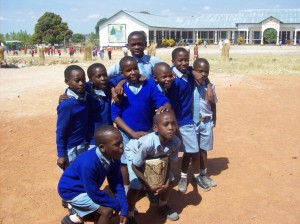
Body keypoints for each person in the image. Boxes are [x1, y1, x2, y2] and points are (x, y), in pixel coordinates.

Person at [110, 56, 171, 195]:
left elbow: (161, 100)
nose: (132, 72)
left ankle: (151, 190)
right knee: (127, 163)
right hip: (127, 135)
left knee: (149, 161)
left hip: (147, 132)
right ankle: (128, 192)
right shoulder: (120, 90)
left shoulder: (149, 85)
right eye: (128, 70)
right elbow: (115, 116)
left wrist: (165, 106)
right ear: (122, 73)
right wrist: (131, 133)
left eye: (135, 68)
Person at [58, 125, 128, 224]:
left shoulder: (113, 157)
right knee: (107, 211)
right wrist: (116, 204)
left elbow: (117, 184)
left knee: (109, 204)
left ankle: (75, 217)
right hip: (72, 191)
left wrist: (124, 208)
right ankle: (75, 210)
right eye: (117, 144)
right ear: (102, 147)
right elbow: (93, 192)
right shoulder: (88, 164)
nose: (121, 146)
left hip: (87, 188)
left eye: (121, 142)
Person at [168, 47, 211, 193]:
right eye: (180, 60)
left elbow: (201, 73)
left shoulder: (189, 73)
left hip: (187, 121)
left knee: (192, 150)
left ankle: (194, 176)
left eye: (186, 59)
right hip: (170, 121)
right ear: (173, 61)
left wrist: (209, 85)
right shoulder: (170, 76)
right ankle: (170, 177)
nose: (184, 62)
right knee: (167, 152)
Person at [125, 111, 180, 223]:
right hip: (135, 153)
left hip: (155, 156)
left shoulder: (176, 142)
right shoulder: (147, 143)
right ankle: (129, 214)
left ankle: (163, 205)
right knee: (136, 185)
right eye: (166, 124)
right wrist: (148, 185)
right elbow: (135, 166)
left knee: (170, 180)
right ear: (155, 128)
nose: (171, 128)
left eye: (174, 124)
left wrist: (167, 181)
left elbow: (168, 161)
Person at [56, 65, 89, 171]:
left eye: (83, 80)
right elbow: (60, 131)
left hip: (82, 144)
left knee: (83, 173)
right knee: (72, 176)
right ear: (67, 81)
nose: (81, 83)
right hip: (71, 149)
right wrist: (61, 154)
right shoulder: (67, 104)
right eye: (77, 80)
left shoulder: (84, 95)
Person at [193, 58, 218, 188]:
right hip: (193, 123)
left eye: (206, 71)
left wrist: (215, 118)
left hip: (207, 122)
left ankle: (203, 173)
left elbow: (213, 104)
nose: (203, 74)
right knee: (194, 150)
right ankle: (196, 175)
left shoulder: (211, 86)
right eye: (200, 71)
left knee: (203, 150)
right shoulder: (189, 85)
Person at [86, 63, 112, 148]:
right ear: (90, 80)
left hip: (109, 137)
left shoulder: (107, 91)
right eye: (99, 76)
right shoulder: (88, 95)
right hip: (93, 140)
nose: (103, 78)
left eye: (105, 75)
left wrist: (118, 85)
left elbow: (121, 77)